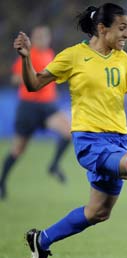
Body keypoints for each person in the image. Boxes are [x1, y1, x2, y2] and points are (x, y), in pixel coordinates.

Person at [13, 3, 127, 258]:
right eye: (122, 28)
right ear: (102, 28)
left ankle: (42, 240)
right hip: (91, 144)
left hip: (118, 142)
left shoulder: (123, 60)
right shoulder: (74, 56)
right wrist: (26, 58)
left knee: (97, 213)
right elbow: (34, 84)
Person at [0, 25, 71, 200]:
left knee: (69, 132)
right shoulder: (27, 55)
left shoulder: (50, 54)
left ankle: (53, 165)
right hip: (29, 106)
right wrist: (33, 76)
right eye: (38, 37)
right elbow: (16, 78)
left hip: (48, 106)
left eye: (44, 36)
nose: (42, 40)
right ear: (32, 38)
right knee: (18, 149)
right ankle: (2, 182)